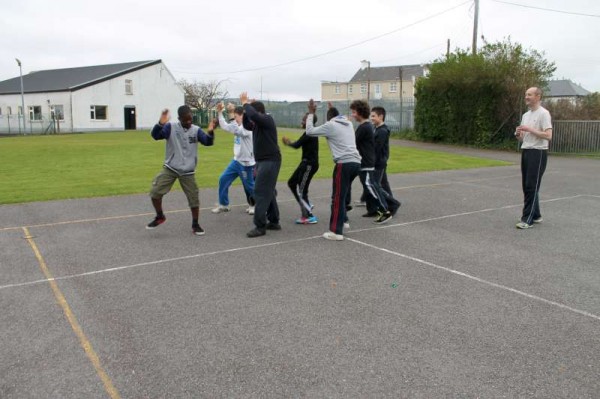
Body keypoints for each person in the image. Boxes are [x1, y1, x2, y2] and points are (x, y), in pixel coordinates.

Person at [146, 106, 215, 235]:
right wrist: (161, 123)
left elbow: (208, 142)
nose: (189, 122)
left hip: (188, 171)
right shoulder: (170, 127)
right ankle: (160, 216)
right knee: (155, 192)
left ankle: (196, 224)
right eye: (185, 120)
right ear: (179, 119)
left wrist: (211, 132)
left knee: (194, 198)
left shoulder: (196, 130)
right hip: (171, 168)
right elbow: (156, 136)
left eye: (190, 119)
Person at [306, 100, 361, 241]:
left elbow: (310, 131)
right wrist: (332, 109)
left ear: (329, 118)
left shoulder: (330, 125)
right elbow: (337, 117)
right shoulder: (348, 123)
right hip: (356, 163)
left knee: (337, 197)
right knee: (342, 195)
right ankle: (344, 220)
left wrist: (311, 113)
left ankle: (336, 231)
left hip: (344, 163)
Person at [240, 92, 282, 237]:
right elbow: (246, 124)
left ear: (259, 112)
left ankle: (260, 226)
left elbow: (254, 116)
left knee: (259, 191)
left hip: (270, 161)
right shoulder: (257, 124)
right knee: (268, 191)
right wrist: (246, 109)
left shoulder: (267, 119)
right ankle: (274, 221)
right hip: (263, 161)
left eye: (252, 111)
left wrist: (246, 104)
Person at [350, 100, 394, 224]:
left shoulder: (375, 129)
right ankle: (375, 209)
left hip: (374, 163)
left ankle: (387, 208)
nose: (352, 115)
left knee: (374, 186)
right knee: (373, 186)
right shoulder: (370, 127)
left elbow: (375, 148)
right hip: (369, 162)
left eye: (354, 112)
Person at [515, 87, 552, 229]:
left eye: (529, 95)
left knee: (532, 185)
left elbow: (548, 136)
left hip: (538, 152)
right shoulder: (526, 115)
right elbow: (522, 139)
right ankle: (536, 215)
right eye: (526, 94)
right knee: (527, 185)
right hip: (526, 151)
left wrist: (530, 129)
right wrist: (519, 134)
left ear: (538, 96)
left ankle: (527, 219)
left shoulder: (544, 114)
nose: (526, 97)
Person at [212, 102, 256, 215]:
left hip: (246, 163)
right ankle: (224, 205)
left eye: (236, 117)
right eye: (234, 117)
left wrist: (231, 113)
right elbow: (225, 126)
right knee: (223, 179)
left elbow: (238, 130)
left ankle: (257, 205)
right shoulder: (237, 125)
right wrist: (220, 112)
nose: (235, 119)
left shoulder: (248, 127)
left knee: (250, 186)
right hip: (236, 161)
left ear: (242, 116)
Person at [282, 113, 319, 224]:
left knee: (302, 190)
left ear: (309, 122)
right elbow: (298, 144)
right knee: (292, 183)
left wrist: (288, 142)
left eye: (304, 120)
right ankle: (306, 204)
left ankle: (309, 216)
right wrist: (289, 143)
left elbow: (297, 145)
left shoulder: (310, 133)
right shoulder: (308, 133)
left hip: (309, 165)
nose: (302, 122)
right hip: (305, 163)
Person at [370, 106, 401, 215]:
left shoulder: (382, 131)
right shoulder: (376, 128)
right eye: (371, 116)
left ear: (381, 116)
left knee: (375, 185)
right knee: (383, 183)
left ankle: (393, 203)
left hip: (379, 163)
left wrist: (370, 160)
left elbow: (377, 149)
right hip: (378, 162)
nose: (371, 118)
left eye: (373, 116)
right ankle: (388, 205)